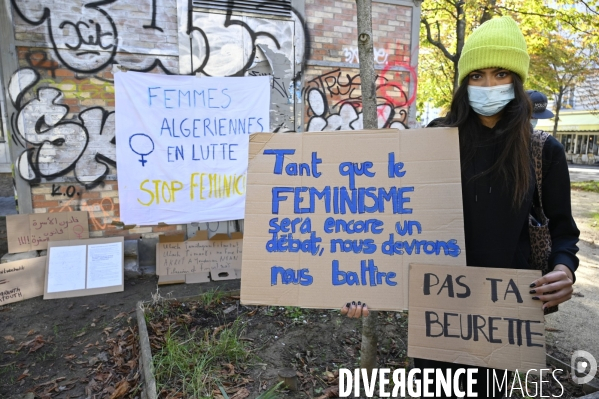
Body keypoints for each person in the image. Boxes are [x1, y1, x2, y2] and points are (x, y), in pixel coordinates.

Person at [341, 16, 580, 398]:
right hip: (439, 309)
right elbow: (396, 224)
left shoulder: (543, 152)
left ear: (517, 82)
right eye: (476, 75)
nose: (488, 86)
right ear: (463, 82)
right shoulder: (434, 139)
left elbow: (564, 231)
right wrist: (366, 285)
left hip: (505, 315)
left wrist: (564, 270)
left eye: (501, 73)